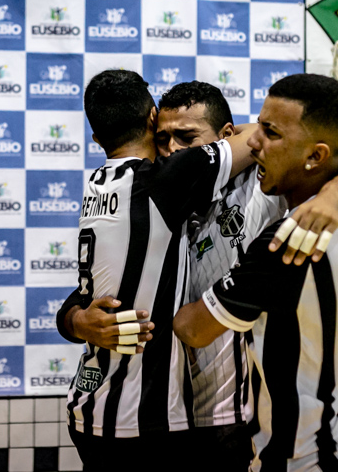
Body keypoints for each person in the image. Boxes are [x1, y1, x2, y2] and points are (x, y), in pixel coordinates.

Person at [157, 80, 338, 471]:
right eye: (257, 127)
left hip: (310, 453)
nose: (253, 143)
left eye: (270, 133)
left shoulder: (289, 241)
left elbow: (192, 328)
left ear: (314, 156)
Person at [55, 70, 256, 470]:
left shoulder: (99, 184)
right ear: (151, 118)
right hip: (143, 420)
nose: (171, 149)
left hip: (93, 404)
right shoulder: (167, 180)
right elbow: (260, 135)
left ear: (97, 139)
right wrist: (77, 320)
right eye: (164, 136)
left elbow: (87, 295)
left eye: (185, 138)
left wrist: (76, 320)